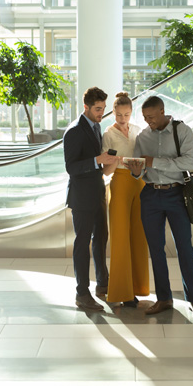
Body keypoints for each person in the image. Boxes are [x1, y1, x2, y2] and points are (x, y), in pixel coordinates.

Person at [127, 95, 193, 319]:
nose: (148, 121)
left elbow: (190, 162)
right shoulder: (143, 136)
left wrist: (154, 161)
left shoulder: (182, 131)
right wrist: (136, 171)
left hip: (177, 194)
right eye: (144, 118)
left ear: (162, 111)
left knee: (185, 248)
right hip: (151, 195)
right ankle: (164, 299)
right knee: (156, 249)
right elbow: (140, 169)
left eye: (151, 117)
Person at [63, 86, 118, 311]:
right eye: (97, 109)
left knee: (101, 239)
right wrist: (97, 160)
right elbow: (71, 167)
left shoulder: (97, 127)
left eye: (103, 109)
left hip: (97, 194)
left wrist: (105, 164)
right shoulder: (74, 131)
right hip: (82, 198)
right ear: (85, 107)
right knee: (82, 244)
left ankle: (102, 284)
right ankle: (81, 293)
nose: (101, 113)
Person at [101, 92, 149, 307]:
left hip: (139, 182)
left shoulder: (138, 131)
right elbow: (106, 170)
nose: (122, 119)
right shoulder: (108, 134)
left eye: (127, 114)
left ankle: (138, 287)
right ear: (113, 113)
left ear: (132, 113)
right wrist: (117, 159)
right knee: (120, 238)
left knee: (139, 236)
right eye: (119, 114)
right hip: (119, 183)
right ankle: (123, 292)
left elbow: (146, 159)